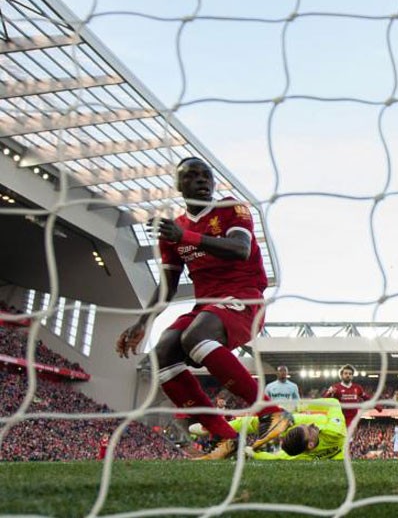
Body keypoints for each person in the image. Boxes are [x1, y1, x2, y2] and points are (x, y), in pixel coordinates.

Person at [116, 157, 291, 461]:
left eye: (205, 175)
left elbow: (241, 249)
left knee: (194, 337)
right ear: (178, 185)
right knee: (162, 355)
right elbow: (168, 285)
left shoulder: (230, 209)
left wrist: (185, 237)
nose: (201, 180)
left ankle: (272, 413)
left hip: (245, 298)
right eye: (192, 176)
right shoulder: (175, 230)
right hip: (207, 306)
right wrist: (142, 322)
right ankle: (225, 436)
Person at [192, 398, 347, 460]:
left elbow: (275, 457)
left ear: (310, 445)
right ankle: (211, 427)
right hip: (325, 430)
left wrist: (250, 451)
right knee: (265, 422)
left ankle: (213, 426)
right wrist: (300, 405)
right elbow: (333, 403)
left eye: (309, 429)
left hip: (333, 448)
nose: (311, 426)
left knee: (263, 422)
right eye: (308, 427)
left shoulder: (298, 457)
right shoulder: (335, 431)